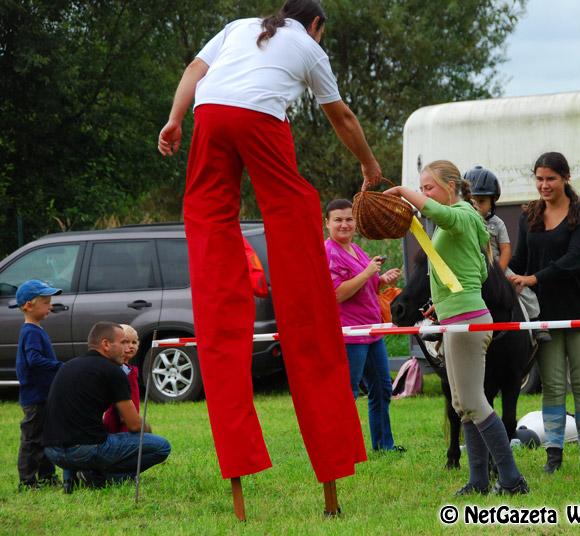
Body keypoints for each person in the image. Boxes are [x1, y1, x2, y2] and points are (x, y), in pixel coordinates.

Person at [157, 0, 375, 480]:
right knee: (293, 206)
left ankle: (238, 457)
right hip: (259, 121)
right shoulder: (307, 46)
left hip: (208, 116)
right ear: (315, 25)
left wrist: (175, 119)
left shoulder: (238, 26)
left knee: (209, 218)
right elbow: (341, 118)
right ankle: (298, 281)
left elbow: (195, 69)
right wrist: (369, 165)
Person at [385, 160, 528, 496]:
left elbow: (442, 214)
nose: (424, 195)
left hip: (467, 323)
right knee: (463, 404)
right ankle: (478, 481)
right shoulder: (459, 225)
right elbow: (478, 273)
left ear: (451, 187)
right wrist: (444, 300)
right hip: (457, 319)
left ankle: (511, 479)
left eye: (428, 187)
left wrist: (404, 194)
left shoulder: (462, 214)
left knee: (475, 403)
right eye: (420, 189)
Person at [508, 152, 580, 474]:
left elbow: (575, 258)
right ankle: (554, 455)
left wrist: (534, 278)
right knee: (552, 386)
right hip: (544, 313)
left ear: (566, 178)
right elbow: (520, 259)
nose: (544, 185)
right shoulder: (528, 215)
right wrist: (500, 271)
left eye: (550, 178)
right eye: (539, 178)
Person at [43, 322, 171, 493]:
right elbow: (133, 424)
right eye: (123, 343)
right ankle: (102, 478)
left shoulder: (68, 366)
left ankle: (71, 480)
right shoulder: (113, 372)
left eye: (130, 343)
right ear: (106, 344)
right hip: (85, 450)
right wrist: (147, 429)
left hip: (52, 451)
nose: (126, 348)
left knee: (76, 433)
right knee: (161, 446)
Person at [324, 199, 403, 452]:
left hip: (372, 332)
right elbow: (336, 294)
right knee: (347, 394)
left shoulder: (355, 250)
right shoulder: (329, 252)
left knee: (382, 389)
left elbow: (363, 286)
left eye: (349, 219)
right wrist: (368, 273)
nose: (344, 224)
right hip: (349, 335)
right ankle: (344, 449)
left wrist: (380, 279)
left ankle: (384, 446)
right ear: (327, 224)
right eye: (338, 220)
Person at [464, 166, 548, 342]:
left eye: (482, 201)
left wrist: (499, 272)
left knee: (523, 291)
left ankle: (534, 323)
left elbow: (506, 249)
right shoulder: (463, 222)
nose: (476, 207)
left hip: (496, 267)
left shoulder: (497, 224)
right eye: (472, 202)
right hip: (469, 268)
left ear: (493, 202)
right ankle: (438, 328)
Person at [12, 279, 64, 490]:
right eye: (45, 302)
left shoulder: (36, 330)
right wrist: (58, 366)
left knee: (46, 437)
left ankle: (47, 476)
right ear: (28, 305)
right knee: (32, 440)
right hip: (34, 396)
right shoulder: (31, 332)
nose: (50, 306)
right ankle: (27, 481)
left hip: (43, 394)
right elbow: (33, 359)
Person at [102, 325, 141, 433]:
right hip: (118, 422)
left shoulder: (129, 369)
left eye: (134, 342)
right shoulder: (115, 370)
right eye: (125, 342)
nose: (131, 346)